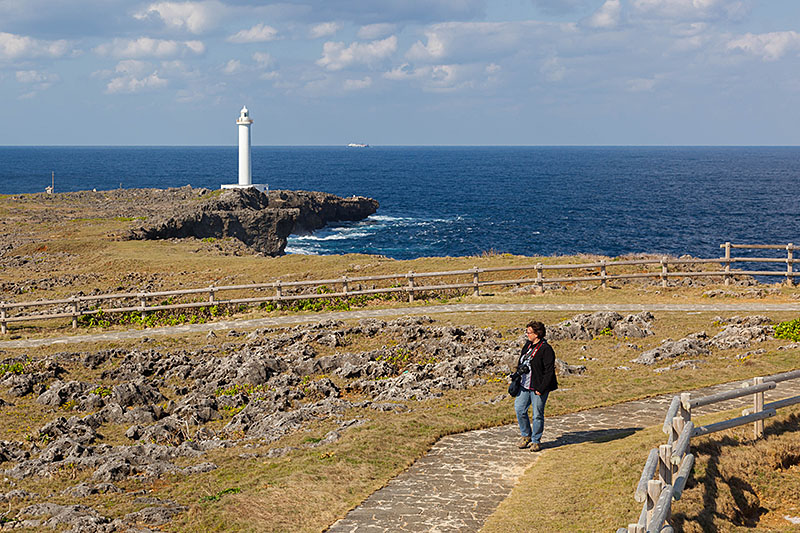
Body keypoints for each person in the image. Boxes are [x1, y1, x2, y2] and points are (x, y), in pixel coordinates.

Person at [514, 320, 558, 451]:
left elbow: (549, 371)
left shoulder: (546, 349)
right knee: (519, 409)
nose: (527, 334)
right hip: (524, 385)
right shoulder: (527, 345)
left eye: (529, 332)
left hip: (538, 387)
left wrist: (541, 388)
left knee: (537, 414)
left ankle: (536, 440)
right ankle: (526, 435)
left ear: (537, 334)